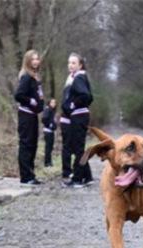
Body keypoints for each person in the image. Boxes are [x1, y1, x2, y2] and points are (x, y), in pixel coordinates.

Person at [62, 53, 94, 188]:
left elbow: (86, 96)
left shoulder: (79, 77)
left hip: (79, 115)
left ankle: (77, 179)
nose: (70, 65)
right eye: (69, 62)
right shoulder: (76, 77)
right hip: (79, 115)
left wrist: (73, 104)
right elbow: (89, 96)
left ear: (80, 65)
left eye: (74, 63)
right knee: (78, 147)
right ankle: (87, 176)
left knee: (78, 149)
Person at [14, 49, 44, 186]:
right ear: (27, 61)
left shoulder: (35, 77)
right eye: (33, 59)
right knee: (26, 144)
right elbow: (19, 95)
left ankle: (31, 175)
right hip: (25, 115)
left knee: (33, 145)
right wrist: (31, 101)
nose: (36, 61)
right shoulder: (26, 77)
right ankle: (25, 177)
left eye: (37, 59)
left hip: (32, 116)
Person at [42, 98, 57, 167]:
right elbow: (44, 119)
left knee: (50, 147)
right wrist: (49, 125)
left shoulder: (52, 111)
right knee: (48, 147)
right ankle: (47, 163)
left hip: (51, 131)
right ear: (49, 103)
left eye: (55, 103)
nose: (54, 104)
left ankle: (49, 162)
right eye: (52, 102)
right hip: (47, 131)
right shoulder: (47, 109)